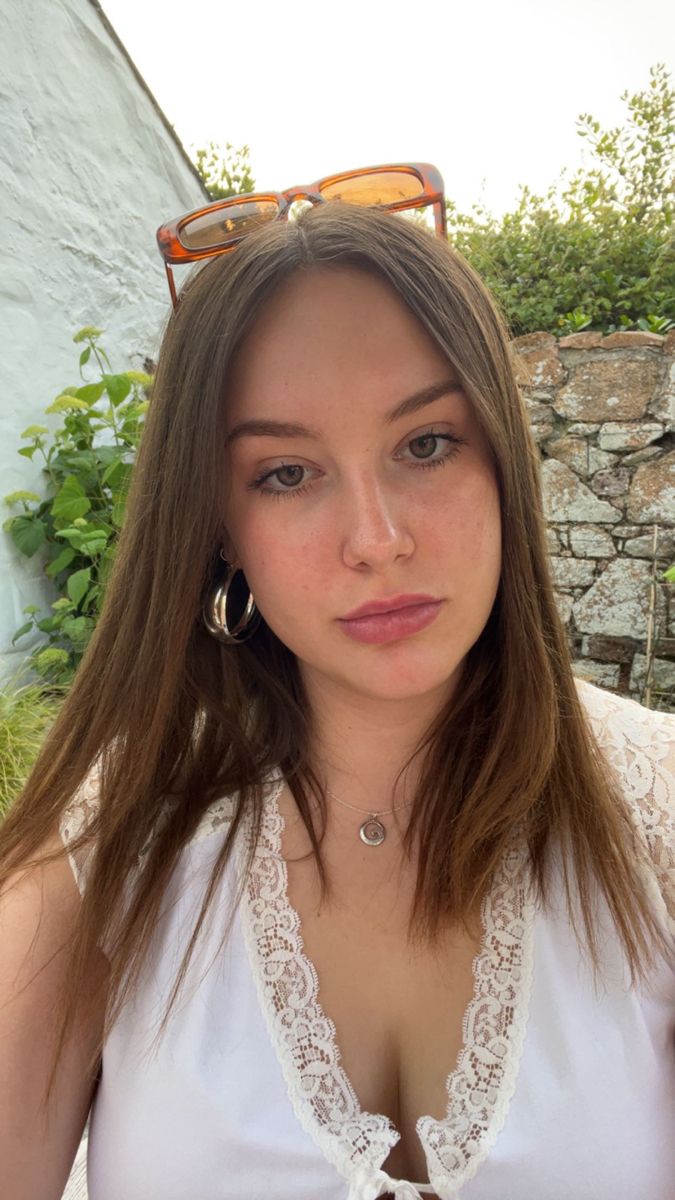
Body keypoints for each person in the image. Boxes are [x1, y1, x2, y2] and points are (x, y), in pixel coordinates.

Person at [0, 165, 673, 1200]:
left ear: (504, 459)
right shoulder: (103, 857)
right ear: (220, 526)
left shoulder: (657, 820)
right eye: (286, 472)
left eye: (427, 443)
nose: (377, 540)